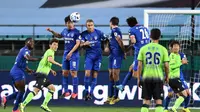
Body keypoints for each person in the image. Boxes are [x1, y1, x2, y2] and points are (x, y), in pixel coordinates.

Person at [20, 38, 62, 112]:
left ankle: (44, 105)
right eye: (54, 44)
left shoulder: (49, 52)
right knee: (36, 91)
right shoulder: (50, 51)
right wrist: (59, 64)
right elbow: (49, 60)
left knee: (52, 88)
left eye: (57, 45)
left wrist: (51, 70)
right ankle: (23, 104)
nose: (56, 46)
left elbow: (44, 62)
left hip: (43, 74)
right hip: (42, 74)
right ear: (50, 45)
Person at [1, 38, 40, 112]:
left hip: (14, 71)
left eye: (33, 43)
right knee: (22, 91)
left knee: (20, 92)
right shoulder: (25, 50)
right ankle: (15, 109)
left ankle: (6, 99)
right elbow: (28, 58)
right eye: (31, 42)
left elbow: (23, 64)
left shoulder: (23, 50)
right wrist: (40, 59)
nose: (33, 44)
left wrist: (29, 70)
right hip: (18, 72)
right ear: (27, 42)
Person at [47, 15, 80, 99]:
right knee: (64, 72)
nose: (70, 24)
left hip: (74, 54)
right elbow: (59, 35)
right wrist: (52, 31)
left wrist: (71, 52)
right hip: (66, 54)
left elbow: (78, 43)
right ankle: (66, 91)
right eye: (68, 22)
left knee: (73, 73)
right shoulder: (65, 31)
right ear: (66, 24)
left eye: (71, 22)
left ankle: (75, 92)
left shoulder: (77, 32)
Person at [137, 28, 169, 112]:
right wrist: (167, 77)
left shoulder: (143, 49)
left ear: (150, 36)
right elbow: (166, 65)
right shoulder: (163, 49)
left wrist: (138, 78)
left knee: (146, 101)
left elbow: (139, 65)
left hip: (146, 78)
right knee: (159, 101)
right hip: (158, 78)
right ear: (159, 37)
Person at [116, 16, 150, 91]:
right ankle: (123, 85)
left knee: (135, 74)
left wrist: (130, 43)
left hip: (140, 52)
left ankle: (147, 85)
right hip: (148, 50)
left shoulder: (132, 30)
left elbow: (133, 41)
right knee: (131, 68)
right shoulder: (145, 28)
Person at [80, 19, 107, 101]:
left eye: (91, 25)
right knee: (87, 73)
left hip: (98, 57)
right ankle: (86, 91)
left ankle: (90, 93)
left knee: (95, 74)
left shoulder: (99, 33)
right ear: (86, 26)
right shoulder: (83, 34)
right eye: (88, 25)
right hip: (89, 56)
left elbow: (106, 40)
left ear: (93, 25)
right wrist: (84, 44)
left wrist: (106, 47)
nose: (90, 27)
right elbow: (80, 45)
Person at [164, 40, 191, 112]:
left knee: (187, 93)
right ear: (171, 48)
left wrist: (183, 61)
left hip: (180, 76)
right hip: (172, 76)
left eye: (177, 46)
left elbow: (184, 60)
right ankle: (166, 108)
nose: (176, 47)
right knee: (170, 94)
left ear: (179, 47)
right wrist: (181, 62)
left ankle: (185, 108)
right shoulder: (169, 56)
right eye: (174, 46)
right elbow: (169, 66)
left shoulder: (181, 54)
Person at [104, 17, 125, 105]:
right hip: (112, 55)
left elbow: (119, 41)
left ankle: (116, 96)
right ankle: (110, 96)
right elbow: (110, 41)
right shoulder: (112, 32)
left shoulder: (116, 30)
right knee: (111, 75)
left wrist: (124, 52)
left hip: (117, 55)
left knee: (115, 74)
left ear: (110, 23)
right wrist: (107, 47)